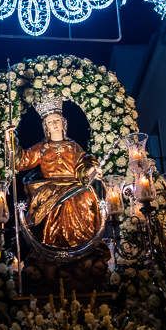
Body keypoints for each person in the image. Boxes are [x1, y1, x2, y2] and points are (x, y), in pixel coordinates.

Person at [9, 93, 101, 248]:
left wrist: (91, 168)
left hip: (74, 184)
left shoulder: (73, 146)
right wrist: (11, 139)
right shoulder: (42, 148)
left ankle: (80, 241)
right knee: (53, 201)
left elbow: (84, 162)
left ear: (63, 123)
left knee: (87, 196)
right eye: (50, 122)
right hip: (49, 186)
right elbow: (22, 161)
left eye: (57, 120)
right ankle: (52, 242)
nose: (55, 124)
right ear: (46, 127)